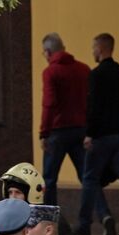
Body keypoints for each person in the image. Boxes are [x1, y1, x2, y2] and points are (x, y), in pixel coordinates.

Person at [79, 32, 119, 235]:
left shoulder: (96, 75)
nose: (92, 52)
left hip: (102, 137)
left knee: (90, 179)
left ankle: (85, 225)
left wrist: (90, 134)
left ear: (101, 49)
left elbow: (93, 107)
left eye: (94, 48)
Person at [39, 33, 91, 207]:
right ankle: (103, 215)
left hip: (58, 132)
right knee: (87, 177)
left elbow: (49, 104)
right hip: (81, 129)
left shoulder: (50, 72)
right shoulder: (84, 69)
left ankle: (50, 219)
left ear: (47, 52)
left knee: (50, 179)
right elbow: (91, 101)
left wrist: (44, 133)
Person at [1, 161, 77, 235]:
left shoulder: (51, 220)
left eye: (18, 192)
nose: (13, 197)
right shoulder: (3, 219)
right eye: (10, 192)